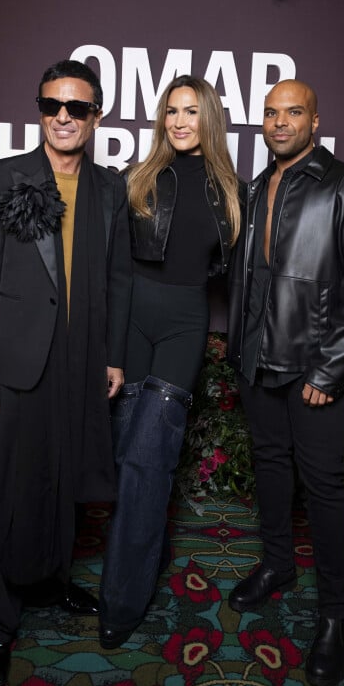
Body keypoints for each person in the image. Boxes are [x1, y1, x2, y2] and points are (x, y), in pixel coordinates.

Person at [0, 59, 132, 686]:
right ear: (39, 111)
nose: (63, 117)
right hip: (15, 363)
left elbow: (116, 278)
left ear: (96, 116)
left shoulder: (109, 189)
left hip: (81, 361)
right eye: (52, 106)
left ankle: (51, 582)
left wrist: (112, 355)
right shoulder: (6, 177)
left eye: (77, 108)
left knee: (62, 481)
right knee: (3, 494)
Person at [226, 79, 344, 686]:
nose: (280, 122)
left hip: (315, 367)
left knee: (322, 486)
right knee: (269, 464)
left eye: (293, 112)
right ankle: (276, 566)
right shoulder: (257, 186)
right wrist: (240, 349)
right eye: (270, 113)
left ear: (315, 121)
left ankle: (334, 616)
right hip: (257, 361)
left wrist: (330, 368)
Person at [98, 75, 241, 649]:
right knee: (121, 455)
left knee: (148, 460)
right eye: (171, 111)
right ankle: (141, 559)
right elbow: (112, 270)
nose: (180, 121)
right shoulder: (136, 178)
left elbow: (242, 277)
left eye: (191, 111)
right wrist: (109, 350)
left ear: (209, 118)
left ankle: (122, 599)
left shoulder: (232, 191)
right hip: (130, 321)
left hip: (185, 324)